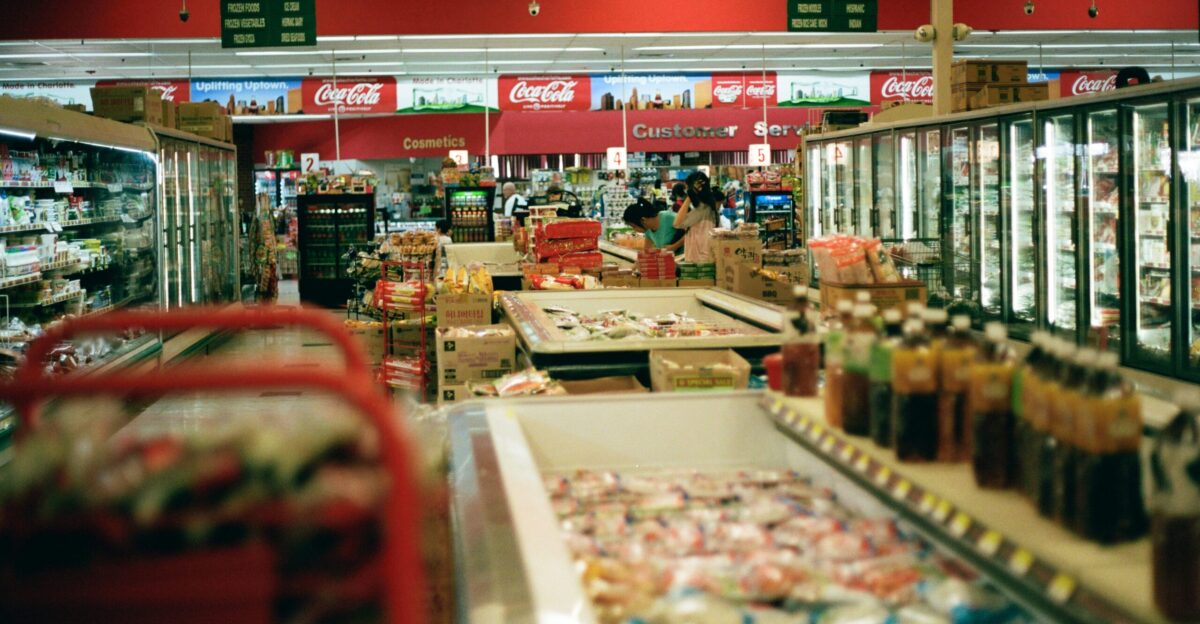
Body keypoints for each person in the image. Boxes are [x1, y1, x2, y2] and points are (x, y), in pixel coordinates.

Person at [673, 171, 721, 263]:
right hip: (705, 259)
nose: (686, 191)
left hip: (699, 262)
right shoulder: (710, 207)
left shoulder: (702, 209)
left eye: (688, 188)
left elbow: (677, 224)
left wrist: (689, 197)